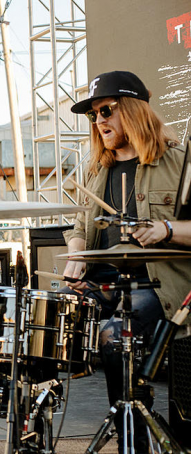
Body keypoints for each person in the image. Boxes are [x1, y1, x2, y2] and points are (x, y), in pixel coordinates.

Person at [62, 71, 191, 451]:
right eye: (93, 115)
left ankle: (133, 435)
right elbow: (79, 226)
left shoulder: (179, 163)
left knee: (115, 336)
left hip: (158, 284)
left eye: (107, 110)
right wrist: (76, 252)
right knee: (35, 321)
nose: (99, 121)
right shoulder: (96, 169)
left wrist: (166, 229)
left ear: (134, 111)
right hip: (104, 281)